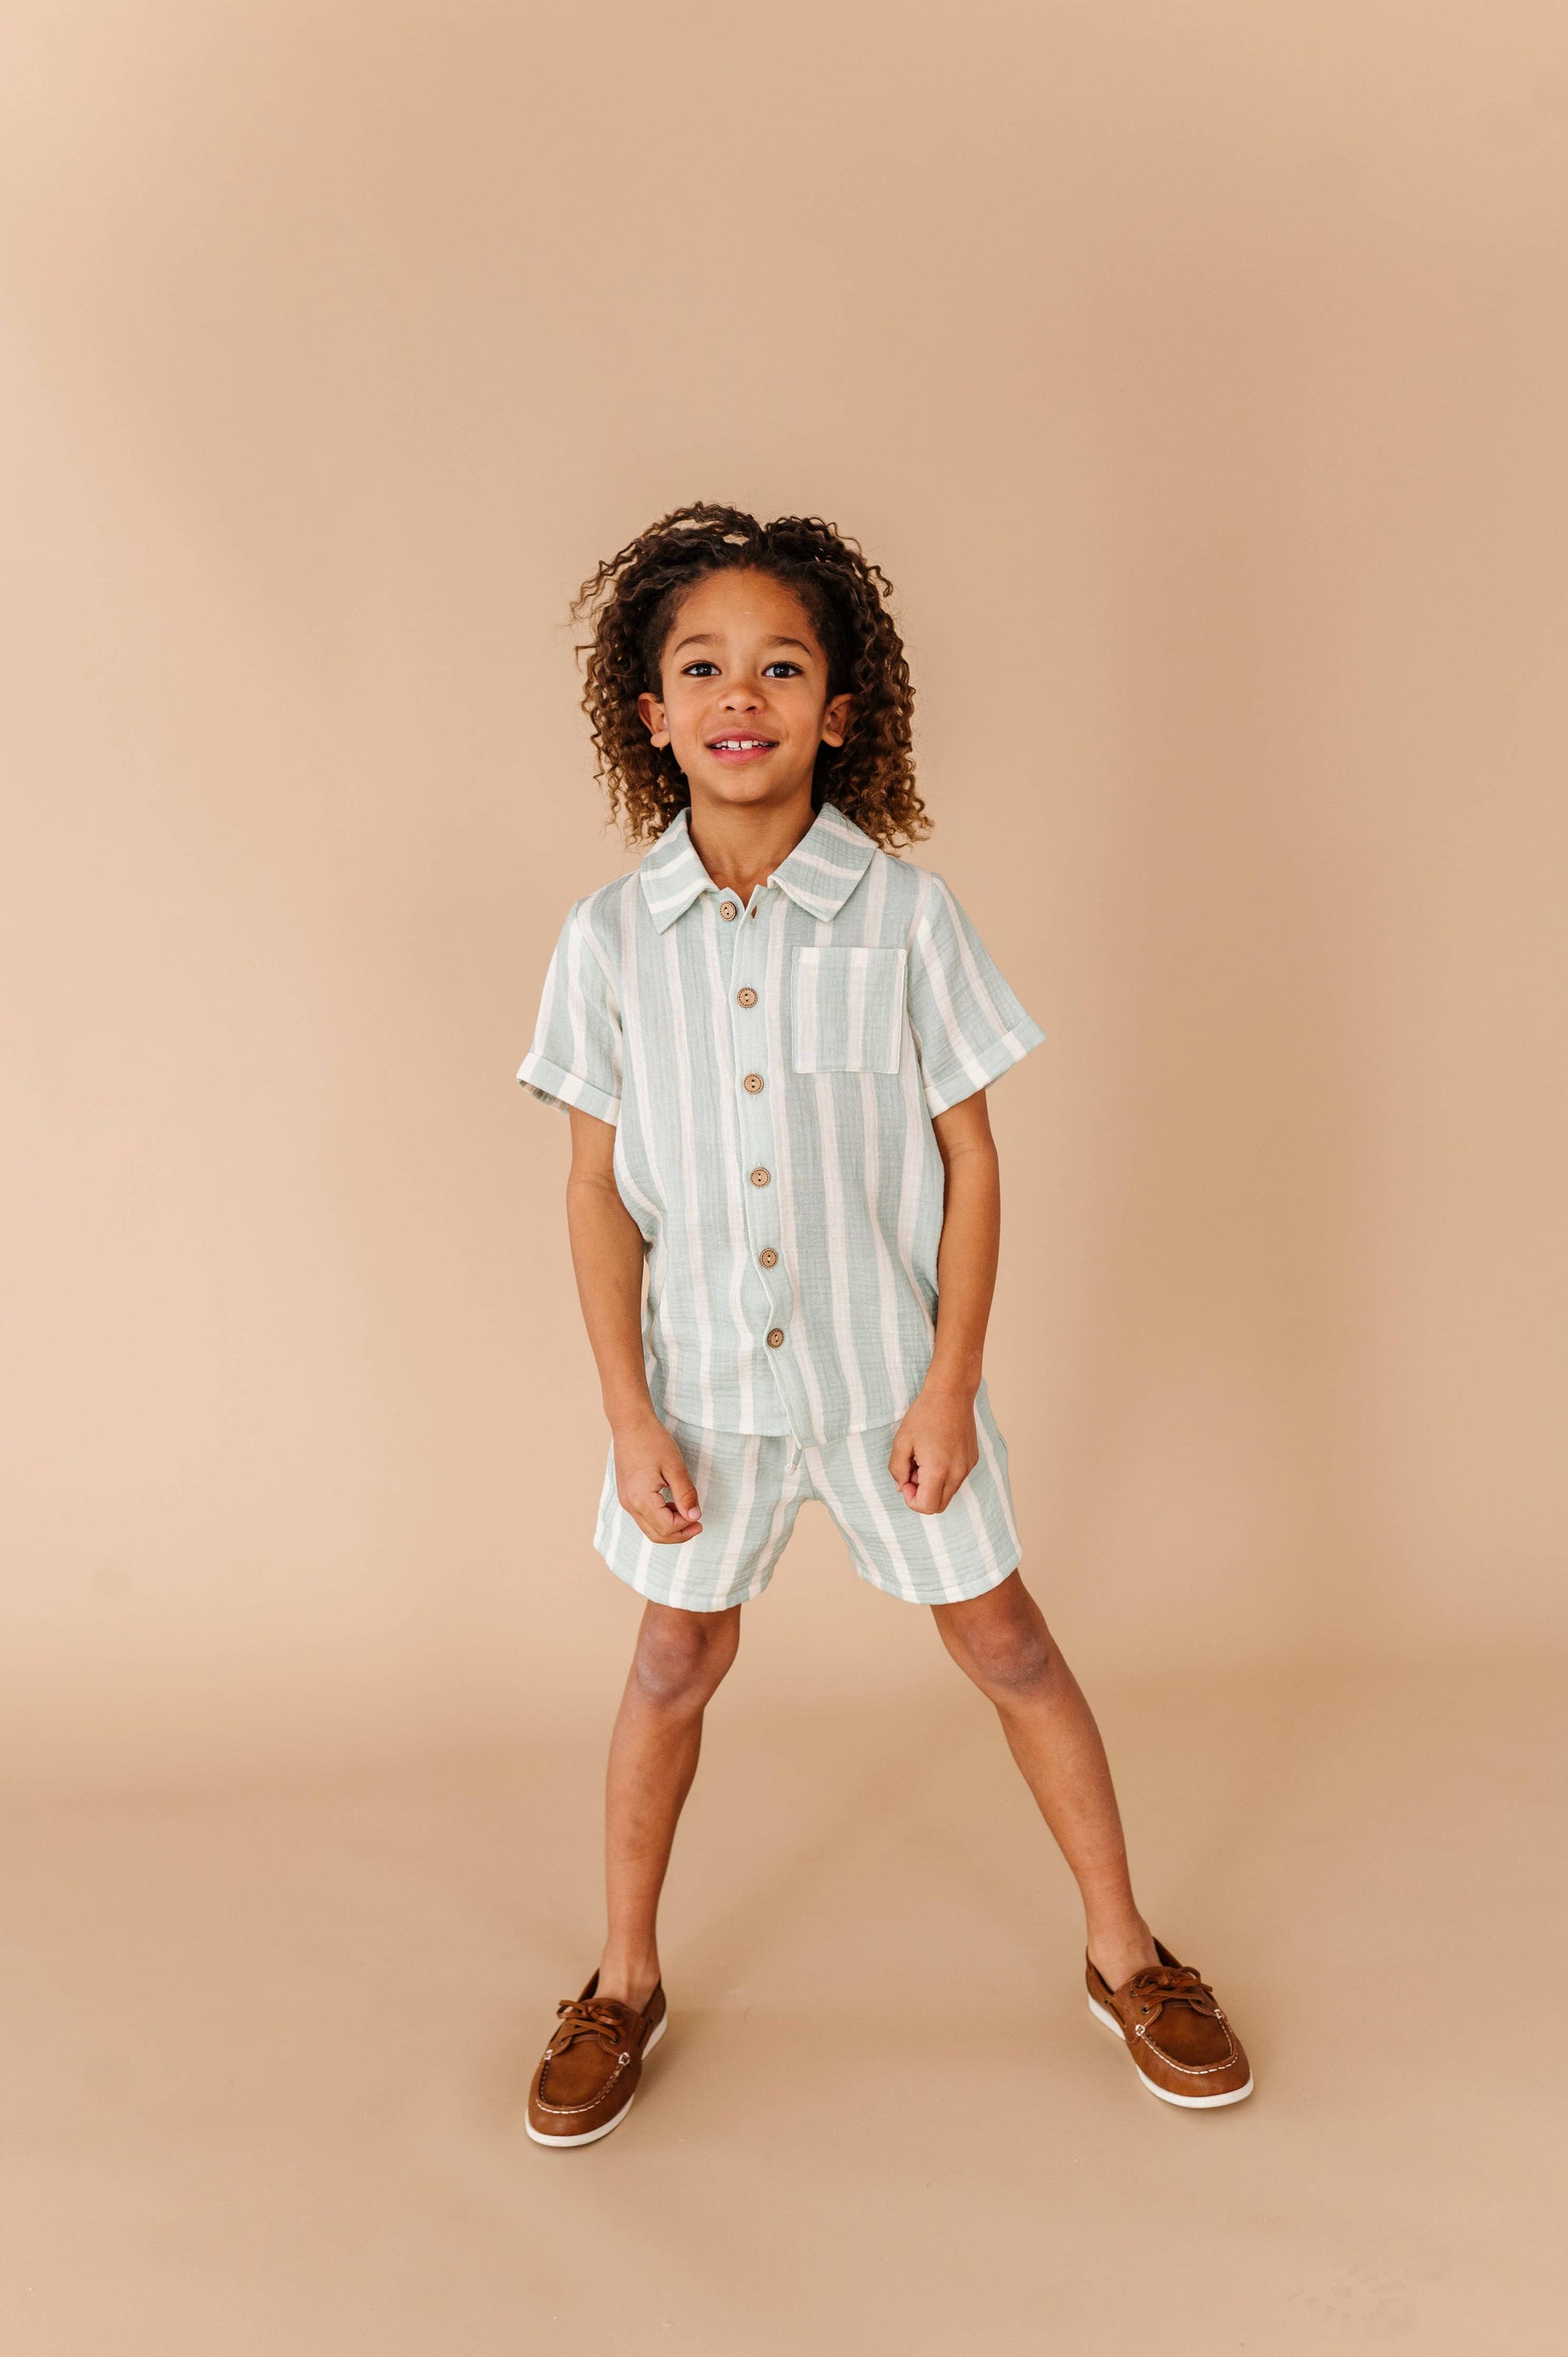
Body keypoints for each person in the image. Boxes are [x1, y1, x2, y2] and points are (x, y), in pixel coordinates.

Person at [516, 504, 1252, 2145]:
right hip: (704, 1391)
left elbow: (969, 1158)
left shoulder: (907, 916)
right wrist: (630, 1415)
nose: (742, 693)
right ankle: (623, 1980)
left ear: (841, 709)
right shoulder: (608, 939)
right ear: (649, 712)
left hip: (887, 1383)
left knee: (1008, 1643)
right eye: (702, 666)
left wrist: (949, 1383)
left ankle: (1126, 1954)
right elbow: (592, 1186)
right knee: (670, 1658)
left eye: (782, 666)